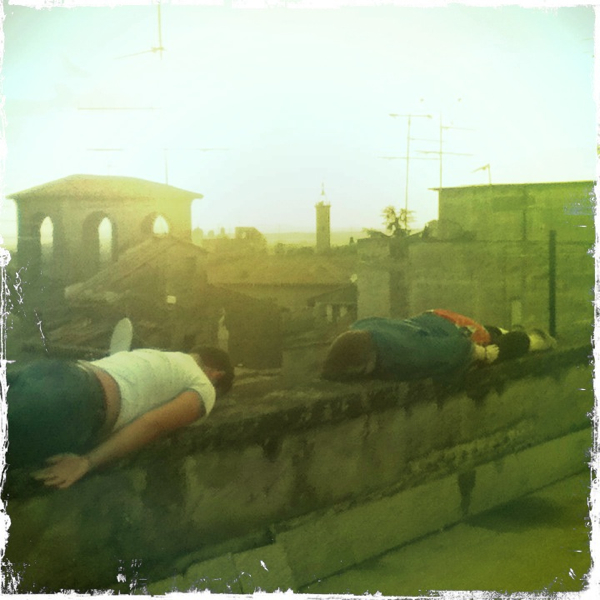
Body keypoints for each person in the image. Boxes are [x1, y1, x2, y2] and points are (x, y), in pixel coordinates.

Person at [6, 346, 234, 489]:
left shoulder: (161, 356)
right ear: (216, 374)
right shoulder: (205, 386)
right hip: (73, 400)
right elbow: (153, 423)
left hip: (54, 371)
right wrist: (86, 462)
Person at [321, 308, 556, 382]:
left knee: (502, 346)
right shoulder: (361, 326)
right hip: (435, 318)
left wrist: (481, 354)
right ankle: (502, 331)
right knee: (487, 331)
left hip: (454, 331)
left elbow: (450, 351)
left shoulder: (406, 353)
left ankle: (536, 340)